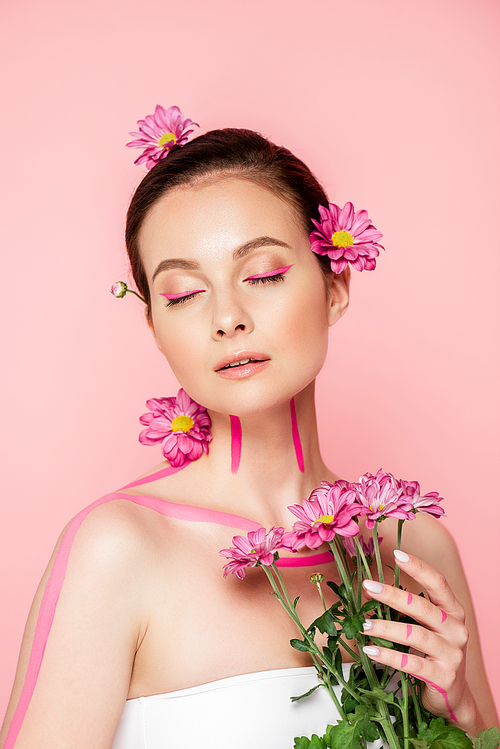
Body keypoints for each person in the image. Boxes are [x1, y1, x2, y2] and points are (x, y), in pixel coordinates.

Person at [1, 108, 497, 749]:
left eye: (262, 275)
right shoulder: (118, 549)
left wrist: (460, 714)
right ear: (154, 327)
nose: (227, 317)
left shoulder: (415, 549)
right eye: (182, 293)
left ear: (336, 284)